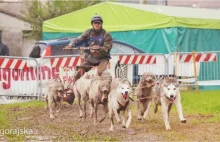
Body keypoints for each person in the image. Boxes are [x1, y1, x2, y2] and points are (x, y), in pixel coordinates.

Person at [64, 14, 113, 81]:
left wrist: (99, 48)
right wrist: (70, 45)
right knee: (79, 72)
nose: (97, 24)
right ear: (92, 24)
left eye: (98, 23)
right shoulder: (88, 32)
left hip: (103, 58)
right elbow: (78, 40)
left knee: (100, 72)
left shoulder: (106, 34)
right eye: (95, 23)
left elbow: (107, 47)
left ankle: (103, 88)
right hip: (90, 58)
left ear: (101, 24)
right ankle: (74, 88)